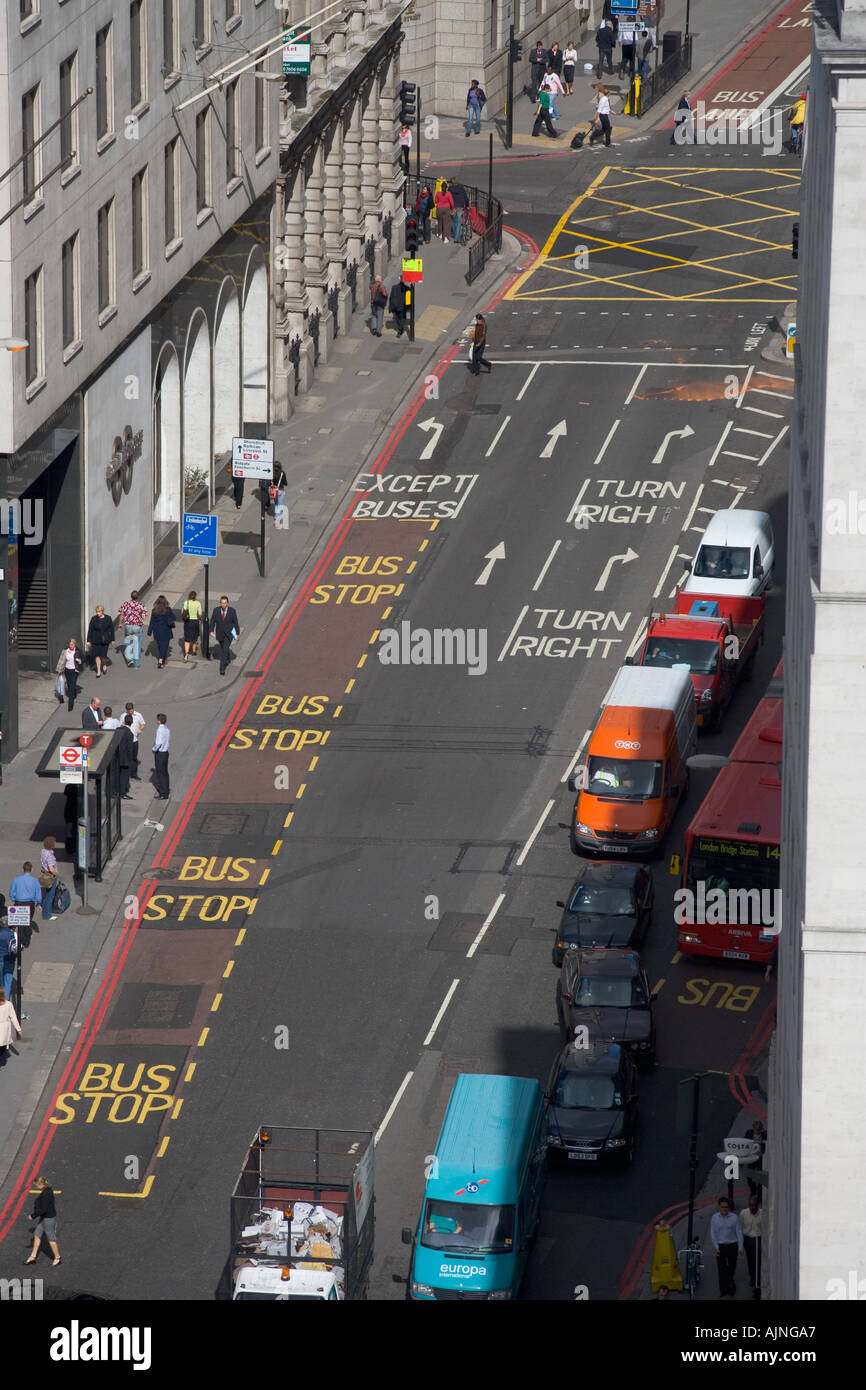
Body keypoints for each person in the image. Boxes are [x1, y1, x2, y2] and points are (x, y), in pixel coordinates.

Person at [710, 1196, 742, 1298]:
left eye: (726, 1207)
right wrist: (716, 1247)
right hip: (720, 1247)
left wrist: (740, 1247)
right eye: (722, 1207)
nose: (724, 1209)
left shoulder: (734, 1218)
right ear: (719, 1207)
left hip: (732, 1245)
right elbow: (713, 1234)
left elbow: (739, 1232)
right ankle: (723, 1289)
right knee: (721, 1269)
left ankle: (730, 1284)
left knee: (732, 1267)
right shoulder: (714, 1218)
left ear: (728, 1207)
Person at [24, 1177, 60, 1267]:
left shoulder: (46, 1194)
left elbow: (43, 1209)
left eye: (36, 1185)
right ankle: (33, 1256)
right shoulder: (48, 1189)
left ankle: (57, 1257)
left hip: (48, 1219)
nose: (36, 1187)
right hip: (45, 1218)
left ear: (41, 1184)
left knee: (51, 1238)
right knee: (37, 1235)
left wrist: (33, 1216)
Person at [10, 862, 42, 948]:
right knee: (27, 922)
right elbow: (38, 894)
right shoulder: (34, 881)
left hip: (18, 903)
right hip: (29, 904)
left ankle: (18, 940)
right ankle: (26, 941)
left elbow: (12, 892)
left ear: (22, 869)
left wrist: (14, 899)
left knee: (18, 922)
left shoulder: (16, 879)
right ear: (31, 869)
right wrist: (39, 903)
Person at [210, 595, 240, 677]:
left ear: (227, 603)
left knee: (224, 651)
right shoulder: (216, 610)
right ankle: (227, 657)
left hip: (228, 635)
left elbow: (235, 622)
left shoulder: (232, 611)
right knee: (224, 648)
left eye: (225, 603)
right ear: (220, 603)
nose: (223, 605)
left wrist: (237, 633)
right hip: (220, 634)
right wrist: (211, 630)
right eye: (222, 603)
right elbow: (212, 621)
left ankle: (222, 668)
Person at [739, 1194, 763, 1299]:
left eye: (754, 1205)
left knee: (757, 1262)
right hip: (747, 1239)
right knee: (750, 1260)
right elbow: (740, 1227)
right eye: (750, 1205)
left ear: (758, 1205)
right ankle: (752, 1278)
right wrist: (740, 1244)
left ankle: (757, 1282)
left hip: (757, 1239)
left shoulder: (762, 1214)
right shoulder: (744, 1213)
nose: (752, 1207)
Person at [117, 590, 148, 669]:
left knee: (128, 643)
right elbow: (144, 616)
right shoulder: (141, 605)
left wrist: (120, 624)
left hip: (128, 626)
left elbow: (122, 614)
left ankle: (129, 660)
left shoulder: (126, 604)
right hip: (137, 626)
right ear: (138, 597)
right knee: (137, 644)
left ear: (131, 596)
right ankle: (136, 663)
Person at [85, 603, 115, 678]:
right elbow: (90, 630)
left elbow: (111, 629)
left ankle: (104, 664)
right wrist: (88, 640)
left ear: (102, 611)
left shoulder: (108, 618)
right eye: (97, 612)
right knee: (97, 655)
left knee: (103, 656)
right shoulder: (94, 619)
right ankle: (98, 671)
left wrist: (112, 639)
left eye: (99, 612)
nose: (97, 613)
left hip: (105, 641)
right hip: (96, 640)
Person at [147, 594, 176, 670]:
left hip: (157, 631)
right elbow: (174, 617)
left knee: (160, 645)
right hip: (166, 630)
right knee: (165, 646)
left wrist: (149, 632)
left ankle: (161, 659)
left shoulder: (154, 611)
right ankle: (160, 661)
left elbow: (152, 622)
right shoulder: (168, 609)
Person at [56, 638, 83, 713]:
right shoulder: (65, 651)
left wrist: (79, 661)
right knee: (69, 685)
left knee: (71, 687)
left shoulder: (78, 651)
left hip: (74, 671)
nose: (71, 646)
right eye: (70, 644)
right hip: (67, 671)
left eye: (72, 644)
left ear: (75, 644)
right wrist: (59, 671)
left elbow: (82, 659)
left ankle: (70, 705)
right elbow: (61, 661)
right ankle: (73, 693)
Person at [745, 1118, 767, 1198]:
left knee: (760, 1176)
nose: (757, 1132)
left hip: (759, 1158)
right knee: (749, 1177)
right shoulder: (749, 1133)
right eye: (756, 1130)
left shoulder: (765, 1135)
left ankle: (759, 1193)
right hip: (751, 1158)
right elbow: (746, 1143)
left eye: (758, 1130)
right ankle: (753, 1191)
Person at [0, 988, 22, 1068]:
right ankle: (2, 1062)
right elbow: (13, 1017)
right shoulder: (8, 1004)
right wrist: (18, 1029)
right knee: (3, 1048)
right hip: (4, 1030)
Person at [39, 836, 59, 922]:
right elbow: (51, 868)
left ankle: (45, 911)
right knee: (50, 896)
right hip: (50, 877)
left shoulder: (43, 851)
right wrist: (56, 874)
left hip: (45, 874)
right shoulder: (50, 855)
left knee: (47, 894)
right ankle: (47, 915)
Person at [152, 713, 170, 800]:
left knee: (160, 774)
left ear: (159, 721)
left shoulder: (160, 729)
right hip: (166, 753)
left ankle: (163, 793)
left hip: (160, 754)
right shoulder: (167, 729)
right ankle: (166, 790)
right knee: (165, 773)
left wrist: (154, 749)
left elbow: (158, 743)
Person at [125, 702, 146, 780]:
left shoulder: (138, 715)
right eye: (128, 711)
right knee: (126, 757)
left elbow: (143, 724)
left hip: (134, 740)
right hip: (126, 740)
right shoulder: (123, 716)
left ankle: (134, 774)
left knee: (134, 758)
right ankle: (126, 773)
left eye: (131, 710)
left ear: (133, 709)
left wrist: (140, 729)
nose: (130, 712)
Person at [181, 590, 202, 662]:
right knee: (195, 637)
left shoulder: (185, 603)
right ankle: (193, 651)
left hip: (187, 622)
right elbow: (200, 614)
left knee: (187, 640)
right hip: (195, 622)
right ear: (195, 596)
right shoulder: (198, 603)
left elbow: (182, 612)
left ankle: (186, 654)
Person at [117, 716, 135, 799]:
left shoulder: (118, 730)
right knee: (124, 777)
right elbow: (130, 749)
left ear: (124, 721)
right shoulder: (130, 734)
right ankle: (123, 793)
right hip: (125, 760)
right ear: (131, 723)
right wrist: (130, 759)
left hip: (116, 758)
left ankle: (116, 791)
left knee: (117, 775)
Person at [450, 179, 469, 244]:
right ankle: (457, 238)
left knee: (453, 221)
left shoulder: (450, 189)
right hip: (460, 207)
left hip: (452, 207)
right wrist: (467, 205)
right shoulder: (461, 188)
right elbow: (465, 197)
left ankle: (456, 234)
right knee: (458, 222)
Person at [0, 926, 16, 1003]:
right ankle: (5, 1002)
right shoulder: (11, 934)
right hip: (9, 961)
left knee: (1, 982)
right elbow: (14, 948)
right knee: (8, 981)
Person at [271, 460, 288, 529]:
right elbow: (285, 483)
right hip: (280, 490)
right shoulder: (282, 473)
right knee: (279, 506)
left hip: (274, 490)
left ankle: (276, 518)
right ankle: (277, 521)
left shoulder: (272, 473)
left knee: (276, 504)